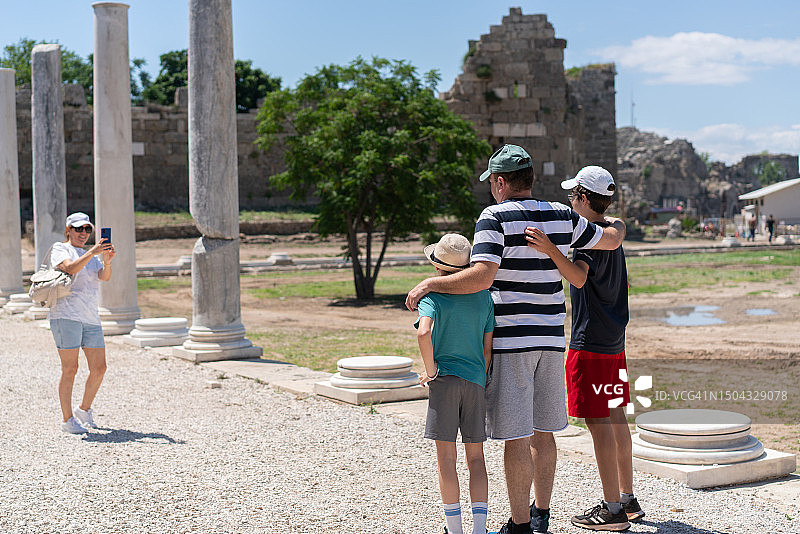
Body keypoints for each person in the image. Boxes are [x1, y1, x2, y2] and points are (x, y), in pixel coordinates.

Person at [406, 145, 626, 534]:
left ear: (500, 182)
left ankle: (520, 524)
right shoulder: (561, 213)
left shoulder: (494, 216)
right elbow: (610, 239)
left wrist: (430, 283)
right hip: (552, 339)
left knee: (515, 436)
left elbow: (482, 276)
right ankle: (541, 514)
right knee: (544, 431)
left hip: (512, 342)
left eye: (492, 182)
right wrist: (619, 225)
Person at [526, 166, 644, 531]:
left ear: (581, 197)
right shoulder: (613, 230)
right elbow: (618, 227)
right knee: (616, 417)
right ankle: (627, 498)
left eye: (571, 195)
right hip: (614, 340)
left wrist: (549, 249)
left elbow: (577, 276)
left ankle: (612, 511)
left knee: (598, 424)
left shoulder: (586, 241)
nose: (568, 200)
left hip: (590, 341)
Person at [415, 233, 495, 534]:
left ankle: (455, 529)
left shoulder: (432, 297)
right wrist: (479, 377)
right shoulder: (485, 297)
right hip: (475, 381)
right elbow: (487, 349)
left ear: (437, 266)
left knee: (446, 459)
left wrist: (432, 372)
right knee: (476, 458)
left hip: (445, 382)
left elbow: (424, 334)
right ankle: (479, 529)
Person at [49, 212, 115, 434]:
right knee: (70, 368)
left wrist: (106, 262)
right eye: (78, 229)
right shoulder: (61, 248)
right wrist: (93, 251)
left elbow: (104, 277)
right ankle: (67, 420)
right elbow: (70, 268)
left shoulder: (91, 254)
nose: (84, 233)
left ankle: (83, 410)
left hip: (90, 317)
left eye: (87, 229)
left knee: (100, 368)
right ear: (68, 230)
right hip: (66, 315)